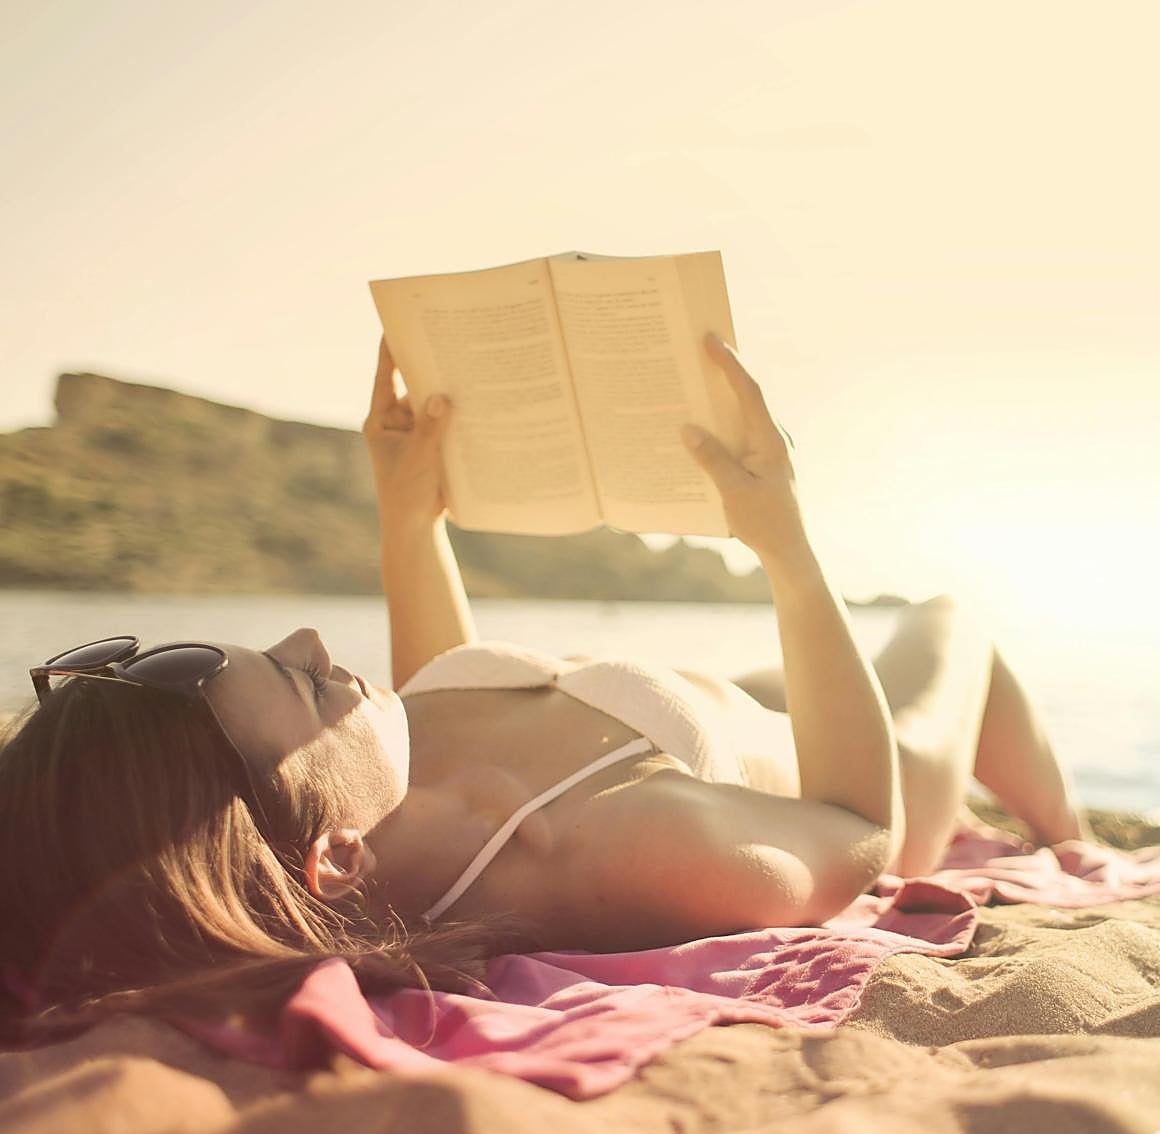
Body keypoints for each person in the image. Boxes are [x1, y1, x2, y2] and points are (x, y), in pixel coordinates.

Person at [0, 334, 1090, 1043]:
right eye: (302, 679)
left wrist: (408, 516)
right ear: (332, 857)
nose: (312, 636)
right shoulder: (608, 847)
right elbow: (853, 823)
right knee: (953, 626)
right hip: (863, 758)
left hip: (710, 705)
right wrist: (785, 546)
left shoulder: (361, 791)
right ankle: (1070, 833)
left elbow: (435, 689)